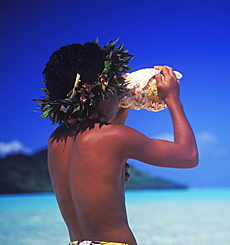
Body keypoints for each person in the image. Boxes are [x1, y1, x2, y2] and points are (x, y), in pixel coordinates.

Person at [35, 40, 198, 245]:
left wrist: (123, 105)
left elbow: (104, 140)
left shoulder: (57, 140)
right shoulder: (114, 138)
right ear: (102, 91)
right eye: (115, 86)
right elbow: (189, 155)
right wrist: (173, 100)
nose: (119, 90)